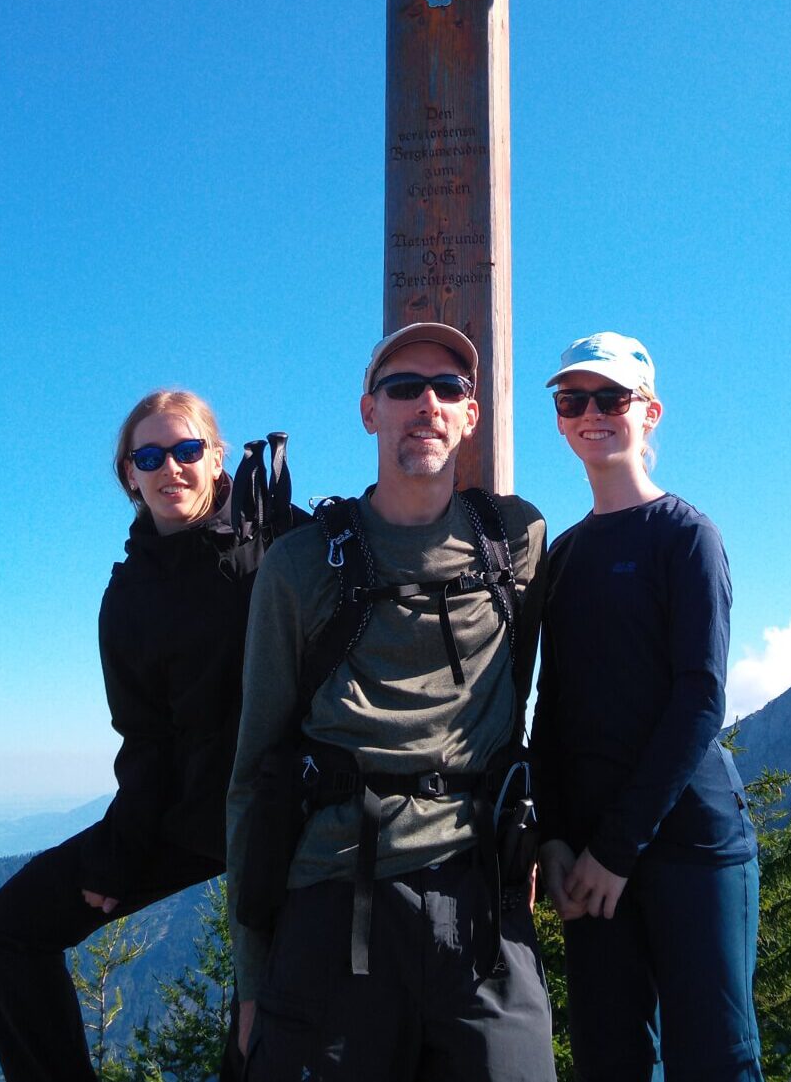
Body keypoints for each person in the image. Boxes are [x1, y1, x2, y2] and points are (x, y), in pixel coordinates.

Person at [227, 322, 555, 1082]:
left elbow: (529, 701)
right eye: (403, 387)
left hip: (481, 901)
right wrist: (252, 979)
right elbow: (253, 772)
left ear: (471, 415)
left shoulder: (517, 542)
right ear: (369, 410)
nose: (427, 404)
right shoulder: (301, 565)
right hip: (337, 900)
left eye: (449, 389)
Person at [0, 390, 272, 1082]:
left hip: (292, 814)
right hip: (190, 813)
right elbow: (145, 737)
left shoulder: (281, 541)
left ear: (216, 458)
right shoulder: (130, 594)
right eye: (150, 455)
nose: (172, 466)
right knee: (7, 926)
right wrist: (120, 852)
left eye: (187, 449)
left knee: (263, 1025)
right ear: (129, 474)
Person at [533, 333, 763, 1082]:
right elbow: (553, 706)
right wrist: (558, 837)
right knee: (610, 1061)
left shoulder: (687, 538)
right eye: (574, 400)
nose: (591, 413)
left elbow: (700, 700)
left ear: (651, 412)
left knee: (716, 1061)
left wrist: (614, 849)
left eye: (612, 397)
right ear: (562, 418)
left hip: (690, 845)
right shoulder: (561, 556)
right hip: (591, 855)